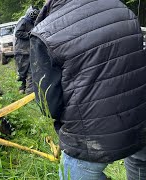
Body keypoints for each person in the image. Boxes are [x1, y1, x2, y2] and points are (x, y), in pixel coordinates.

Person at [30, 0, 146, 179]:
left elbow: (48, 105)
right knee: (139, 166)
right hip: (140, 123)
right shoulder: (122, 9)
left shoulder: (45, 32)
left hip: (91, 137)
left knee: (72, 174)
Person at [14, 6, 39, 94]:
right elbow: (17, 33)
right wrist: (29, 34)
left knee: (30, 71)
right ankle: (22, 87)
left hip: (30, 51)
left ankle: (29, 91)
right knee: (22, 71)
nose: (35, 15)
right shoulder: (24, 21)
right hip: (21, 51)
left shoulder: (34, 22)